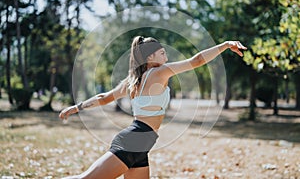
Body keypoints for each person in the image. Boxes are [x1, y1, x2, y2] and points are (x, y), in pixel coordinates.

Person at [59, 36, 247, 179]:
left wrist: (77, 107)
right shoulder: (159, 72)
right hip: (134, 139)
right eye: (162, 52)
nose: (166, 54)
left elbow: (104, 98)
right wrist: (224, 45)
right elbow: (196, 61)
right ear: (150, 57)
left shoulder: (134, 80)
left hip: (142, 142)